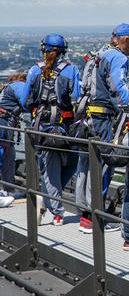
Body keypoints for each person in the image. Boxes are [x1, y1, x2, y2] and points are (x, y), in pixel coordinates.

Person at [76, 24, 129, 234]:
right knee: (104, 165)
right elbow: (118, 87)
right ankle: (96, 217)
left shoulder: (97, 54)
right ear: (126, 39)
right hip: (102, 118)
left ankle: (85, 215)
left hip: (86, 117)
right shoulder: (117, 57)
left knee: (85, 164)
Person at [22, 34, 80, 226]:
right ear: (63, 50)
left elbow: (25, 101)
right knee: (70, 163)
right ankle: (57, 211)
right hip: (64, 127)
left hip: (41, 127)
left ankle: (48, 201)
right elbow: (77, 99)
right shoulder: (71, 70)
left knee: (50, 169)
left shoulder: (34, 70)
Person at [0, 73, 27, 199]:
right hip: (3, 123)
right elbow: (26, 102)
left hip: (6, 123)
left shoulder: (9, 86)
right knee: (4, 154)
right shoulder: (20, 85)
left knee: (9, 156)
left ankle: (8, 190)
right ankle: (4, 191)